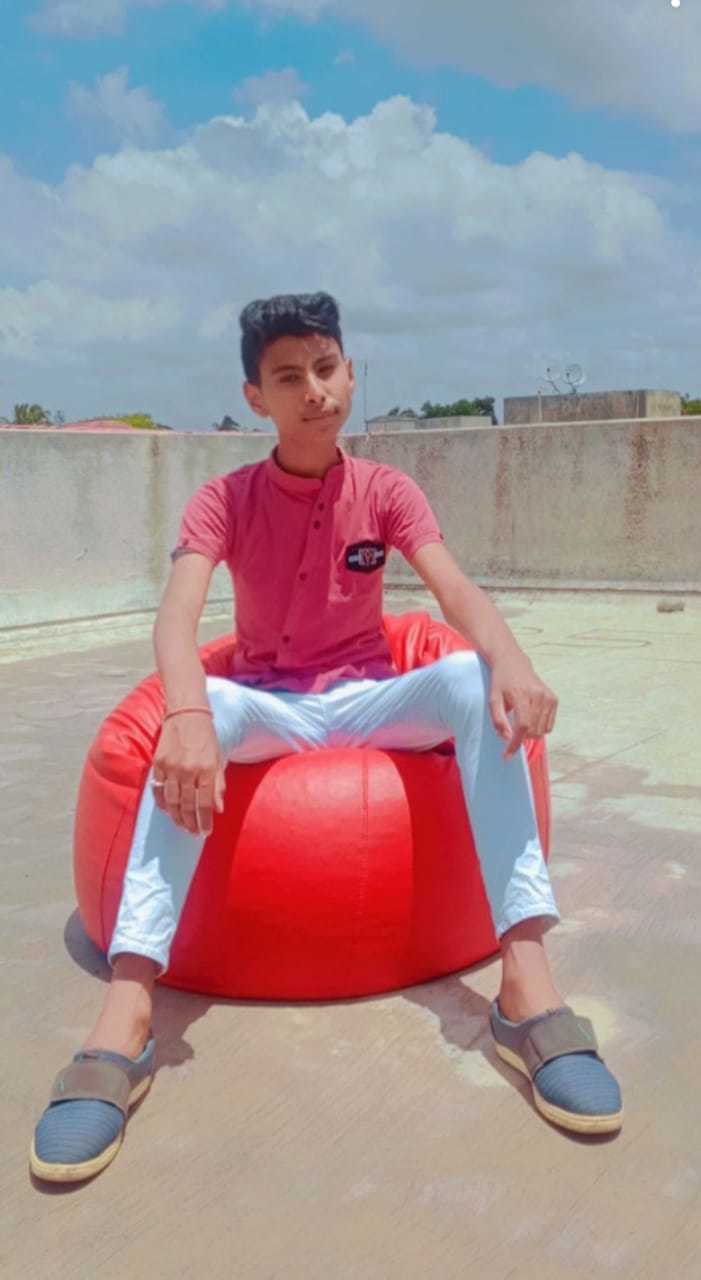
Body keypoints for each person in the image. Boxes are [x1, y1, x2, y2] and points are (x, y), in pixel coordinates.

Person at [30, 291, 622, 1183]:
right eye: (288, 377)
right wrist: (187, 717)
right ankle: (128, 1007)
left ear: (349, 373)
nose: (314, 390)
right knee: (192, 716)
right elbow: (177, 618)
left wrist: (512, 661)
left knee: (472, 681)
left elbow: (453, 590)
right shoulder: (222, 500)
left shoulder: (385, 490)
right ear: (255, 397)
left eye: (326, 367)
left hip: (369, 699)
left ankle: (525, 983)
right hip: (269, 706)